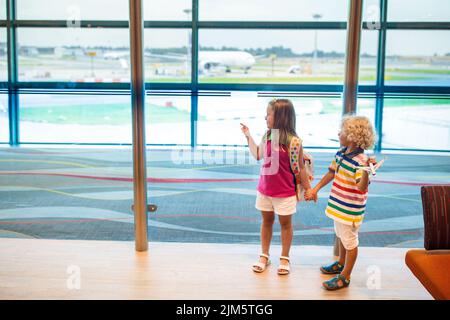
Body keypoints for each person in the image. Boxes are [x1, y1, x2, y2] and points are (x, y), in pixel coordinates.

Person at [241, 98, 312, 275]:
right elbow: (258, 154)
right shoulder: (267, 135)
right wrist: (248, 136)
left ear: (280, 117)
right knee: (266, 222)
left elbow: (300, 168)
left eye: (268, 114)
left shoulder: (294, 142)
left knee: (285, 224)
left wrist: (309, 188)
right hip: (265, 190)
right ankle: (264, 255)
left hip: (285, 192)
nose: (265, 118)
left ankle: (285, 257)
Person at [305, 115, 377, 290]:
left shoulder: (361, 161)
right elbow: (332, 172)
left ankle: (345, 276)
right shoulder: (341, 153)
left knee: (350, 241)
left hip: (350, 210)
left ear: (353, 136)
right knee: (342, 236)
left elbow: (361, 187)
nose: (338, 133)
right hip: (339, 206)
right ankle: (340, 263)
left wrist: (366, 170)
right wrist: (315, 189)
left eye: (342, 131)